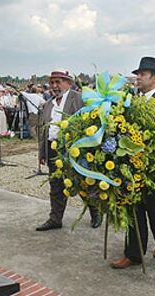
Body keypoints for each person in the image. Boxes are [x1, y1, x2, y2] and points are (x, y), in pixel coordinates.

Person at [111, 57, 155, 269]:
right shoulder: (130, 101)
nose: (137, 78)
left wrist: (140, 146)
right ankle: (134, 253)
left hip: (154, 169)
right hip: (130, 166)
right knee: (133, 208)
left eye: (142, 74)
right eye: (137, 74)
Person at [36, 69, 101, 231]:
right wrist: (42, 153)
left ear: (68, 83)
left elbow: (93, 120)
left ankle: (95, 212)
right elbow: (43, 131)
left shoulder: (79, 99)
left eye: (58, 82)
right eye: (52, 82)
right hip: (53, 151)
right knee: (56, 186)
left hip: (75, 151)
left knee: (84, 183)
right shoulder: (48, 104)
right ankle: (55, 219)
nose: (54, 86)